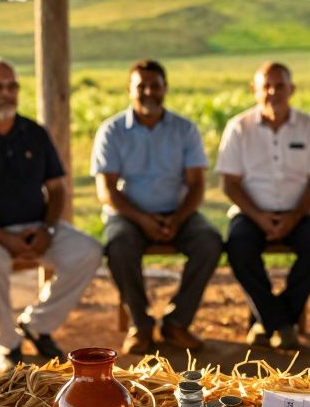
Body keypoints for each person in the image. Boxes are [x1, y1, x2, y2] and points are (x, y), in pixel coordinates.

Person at [0, 58, 102, 373]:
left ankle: (37, 325)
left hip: (36, 226)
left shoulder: (34, 132)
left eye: (12, 86)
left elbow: (56, 189)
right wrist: (4, 238)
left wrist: (47, 229)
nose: (6, 93)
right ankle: (8, 342)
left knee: (88, 251)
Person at [92, 59, 222, 355]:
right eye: (141, 86)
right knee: (118, 245)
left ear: (165, 88)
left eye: (155, 85)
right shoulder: (112, 131)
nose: (148, 92)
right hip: (128, 213)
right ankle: (141, 325)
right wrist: (142, 219)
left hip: (178, 213)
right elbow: (107, 190)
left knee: (210, 241)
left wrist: (176, 219)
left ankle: (177, 323)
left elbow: (197, 184)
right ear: (129, 90)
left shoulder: (185, 129)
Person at [218, 61, 310, 351]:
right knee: (238, 245)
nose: (273, 92)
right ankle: (282, 324)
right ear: (254, 90)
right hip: (250, 212)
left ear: (291, 89)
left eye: (279, 85)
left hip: (301, 212)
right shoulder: (238, 127)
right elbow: (230, 184)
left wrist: (294, 217)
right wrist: (258, 217)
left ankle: (267, 320)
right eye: (266, 86)